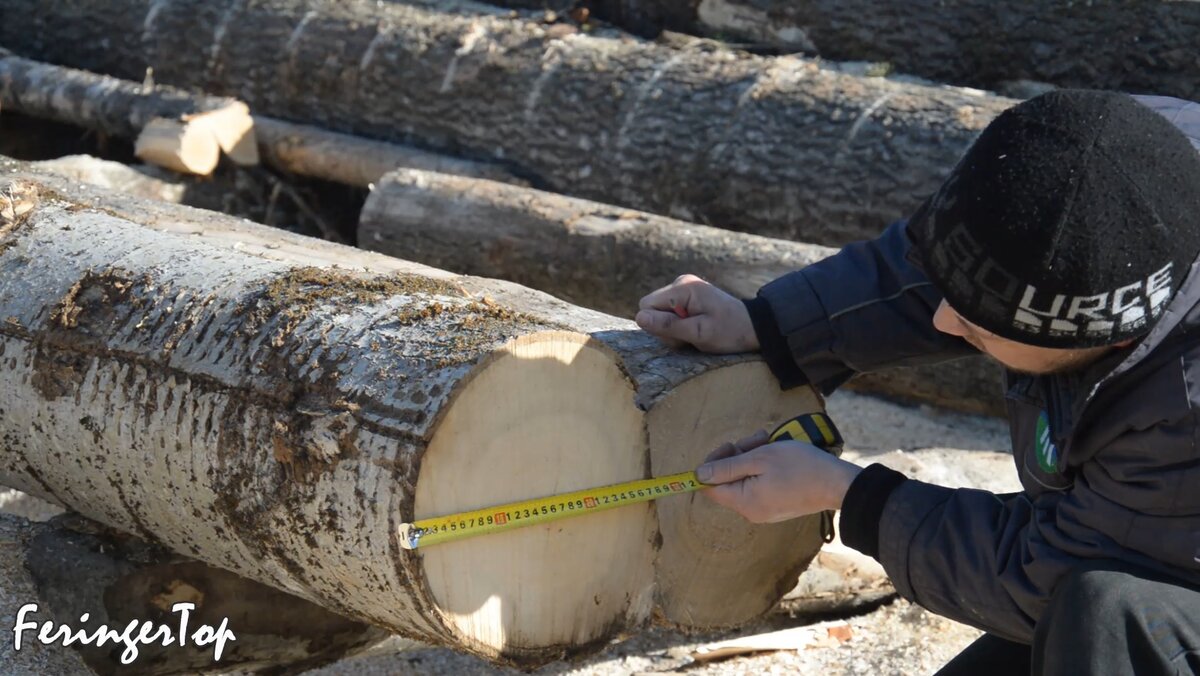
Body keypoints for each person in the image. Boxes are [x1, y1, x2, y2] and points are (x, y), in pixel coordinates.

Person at [636, 90, 1200, 675]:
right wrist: (772, 324)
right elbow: (974, 261)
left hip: (1161, 587)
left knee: (1107, 618)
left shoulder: (1184, 411)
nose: (941, 321)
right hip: (1122, 552)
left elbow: (1051, 575)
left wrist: (851, 496)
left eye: (977, 324)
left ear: (1106, 337)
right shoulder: (1104, 157)